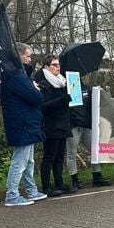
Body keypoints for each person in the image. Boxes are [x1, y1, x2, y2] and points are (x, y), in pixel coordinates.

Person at [1, 42, 46, 206]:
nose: (30, 59)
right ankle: (12, 195)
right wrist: (36, 90)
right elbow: (37, 98)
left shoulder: (22, 75)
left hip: (28, 122)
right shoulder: (15, 76)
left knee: (29, 160)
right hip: (23, 123)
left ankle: (31, 189)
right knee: (20, 160)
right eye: (27, 56)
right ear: (18, 56)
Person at [35, 55, 73, 196]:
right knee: (49, 156)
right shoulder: (42, 83)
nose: (58, 67)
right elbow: (43, 106)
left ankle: (59, 183)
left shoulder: (62, 82)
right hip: (50, 123)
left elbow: (66, 101)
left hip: (62, 122)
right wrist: (62, 100)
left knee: (59, 155)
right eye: (54, 65)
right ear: (46, 67)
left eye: (58, 65)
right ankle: (46, 186)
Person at [67, 74, 110, 190]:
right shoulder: (65, 89)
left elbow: (98, 103)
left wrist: (101, 92)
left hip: (87, 126)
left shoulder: (87, 89)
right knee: (71, 153)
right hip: (73, 126)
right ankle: (75, 180)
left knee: (95, 150)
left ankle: (97, 176)